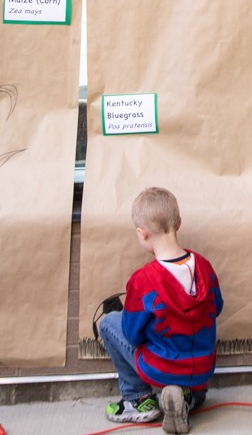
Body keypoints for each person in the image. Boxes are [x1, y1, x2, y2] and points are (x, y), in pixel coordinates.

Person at [98, 186, 224, 434]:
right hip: (202, 370)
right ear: (178, 224)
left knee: (109, 322)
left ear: (142, 233)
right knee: (189, 382)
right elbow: (216, 308)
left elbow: (132, 336)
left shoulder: (142, 281)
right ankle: (188, 397)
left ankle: (138, 399)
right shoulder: (205, 268)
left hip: (161, 368)